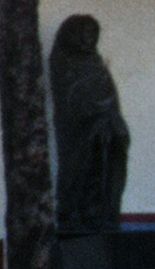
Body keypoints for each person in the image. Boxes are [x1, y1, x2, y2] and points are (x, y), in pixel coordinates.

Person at [51, 13, 131, 237]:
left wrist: (112, 122)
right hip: (81, 137)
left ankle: (105, 216)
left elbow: (110, 99)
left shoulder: (96, 63)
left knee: (108, 174)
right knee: (82, 175)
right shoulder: (65, 63)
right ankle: (76, 217)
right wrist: (94, 119)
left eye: (93, 33)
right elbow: (71, 100)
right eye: (85, 33)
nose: (89, 38)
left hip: (107, 131)